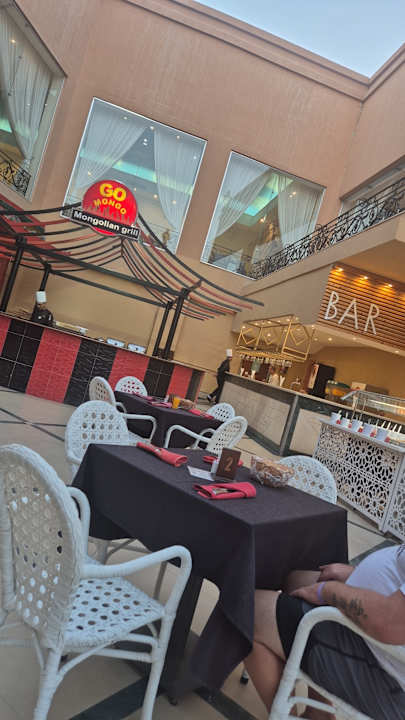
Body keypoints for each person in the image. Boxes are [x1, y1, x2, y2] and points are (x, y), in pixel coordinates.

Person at [245, 545, 405, 719]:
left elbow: (389, 623)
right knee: (297, 578)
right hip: (380, 639)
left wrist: (327, 591)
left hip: (386, 677)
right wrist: (357, 576)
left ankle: (287, 716)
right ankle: (319, 714)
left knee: (248, 610)